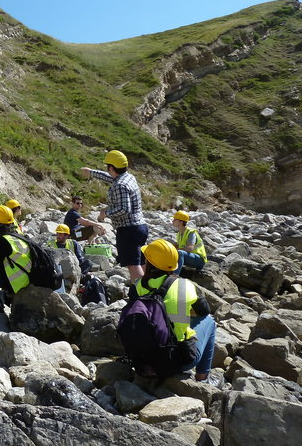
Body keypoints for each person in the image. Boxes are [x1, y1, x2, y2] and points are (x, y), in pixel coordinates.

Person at [130, 239, 216, 381]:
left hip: (142, 359)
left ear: (149, 263)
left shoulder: (137, 286)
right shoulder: (183, 286)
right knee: (209, 321)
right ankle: (203, 377)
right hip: (176, 361)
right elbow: (204, 311)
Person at [81, 150, 148, 282]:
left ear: (111, 168)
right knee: (140, 261)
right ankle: (149, 288)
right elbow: (110, 177)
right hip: (140, 227)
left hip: (128, 230)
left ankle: (142, 295)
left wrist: (105, 213)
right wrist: (91, 172)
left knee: (133, 265)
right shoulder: (128, 177)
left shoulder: (120, 185)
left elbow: (124, 209)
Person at [171, 210, 207, 276]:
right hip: (190, 257)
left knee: (179, 253)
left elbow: (190, 248)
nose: (172, 221)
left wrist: (176, 250)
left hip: (199, 260)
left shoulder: (190, 232)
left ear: (181, 222)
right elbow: (179, 245)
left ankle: (174, 275)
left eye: (175, 220)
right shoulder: (179, 234)